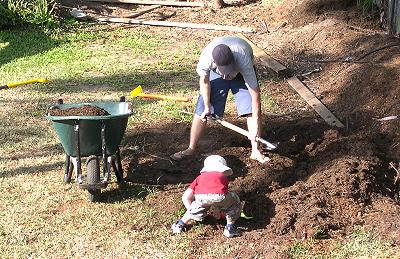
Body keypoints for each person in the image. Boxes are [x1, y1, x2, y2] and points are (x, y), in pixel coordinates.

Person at [171, 36, 269, 164]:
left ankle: (255, 150)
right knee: (201, 110)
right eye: (224, 72)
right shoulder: (206, 60)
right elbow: (205, 82)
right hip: (214, 73)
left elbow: (255, 95)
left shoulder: (243, 59)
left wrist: (255, 129)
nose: (226, 75)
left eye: (228, 71)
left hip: (240, 73)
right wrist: (207, 106)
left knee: (250, 107)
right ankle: (191, 148)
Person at [171, 155, 241, 238]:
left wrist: (191, 209)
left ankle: (179, 225)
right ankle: (230, 228)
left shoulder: (200, 177)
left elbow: (186, 196)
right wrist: (218, 213)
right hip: (219, 196)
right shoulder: (223, 177)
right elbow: (220, 195)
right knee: (234, 200)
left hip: (200, 197)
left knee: (196, 207)